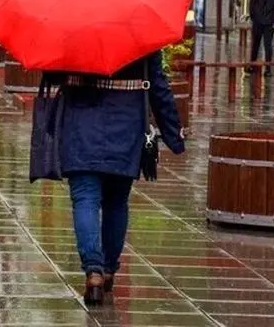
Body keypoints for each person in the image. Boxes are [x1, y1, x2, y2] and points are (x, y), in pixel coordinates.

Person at [53, 52, 185, 305]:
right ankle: (108, 270)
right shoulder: (141, 35)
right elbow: (157, 83)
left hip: (81, 124)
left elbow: (52, 73)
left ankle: (93, 272)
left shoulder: (72, 33)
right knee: (116, 201)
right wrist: (173, 135)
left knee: (85, 198)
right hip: (125, 124)